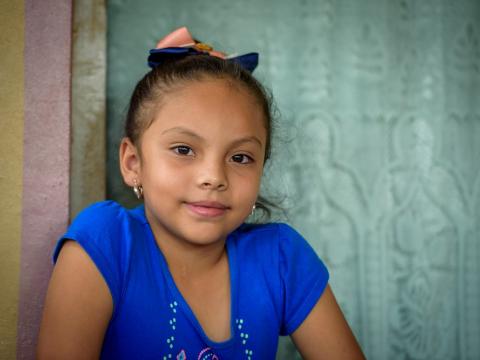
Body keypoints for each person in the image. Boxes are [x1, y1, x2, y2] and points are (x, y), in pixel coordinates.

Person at [37, 27, 365, 360]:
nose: (214, 177)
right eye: (183, 149)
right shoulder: (106, 245)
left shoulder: (281, 258)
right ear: (133, 162)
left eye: (240, 157)